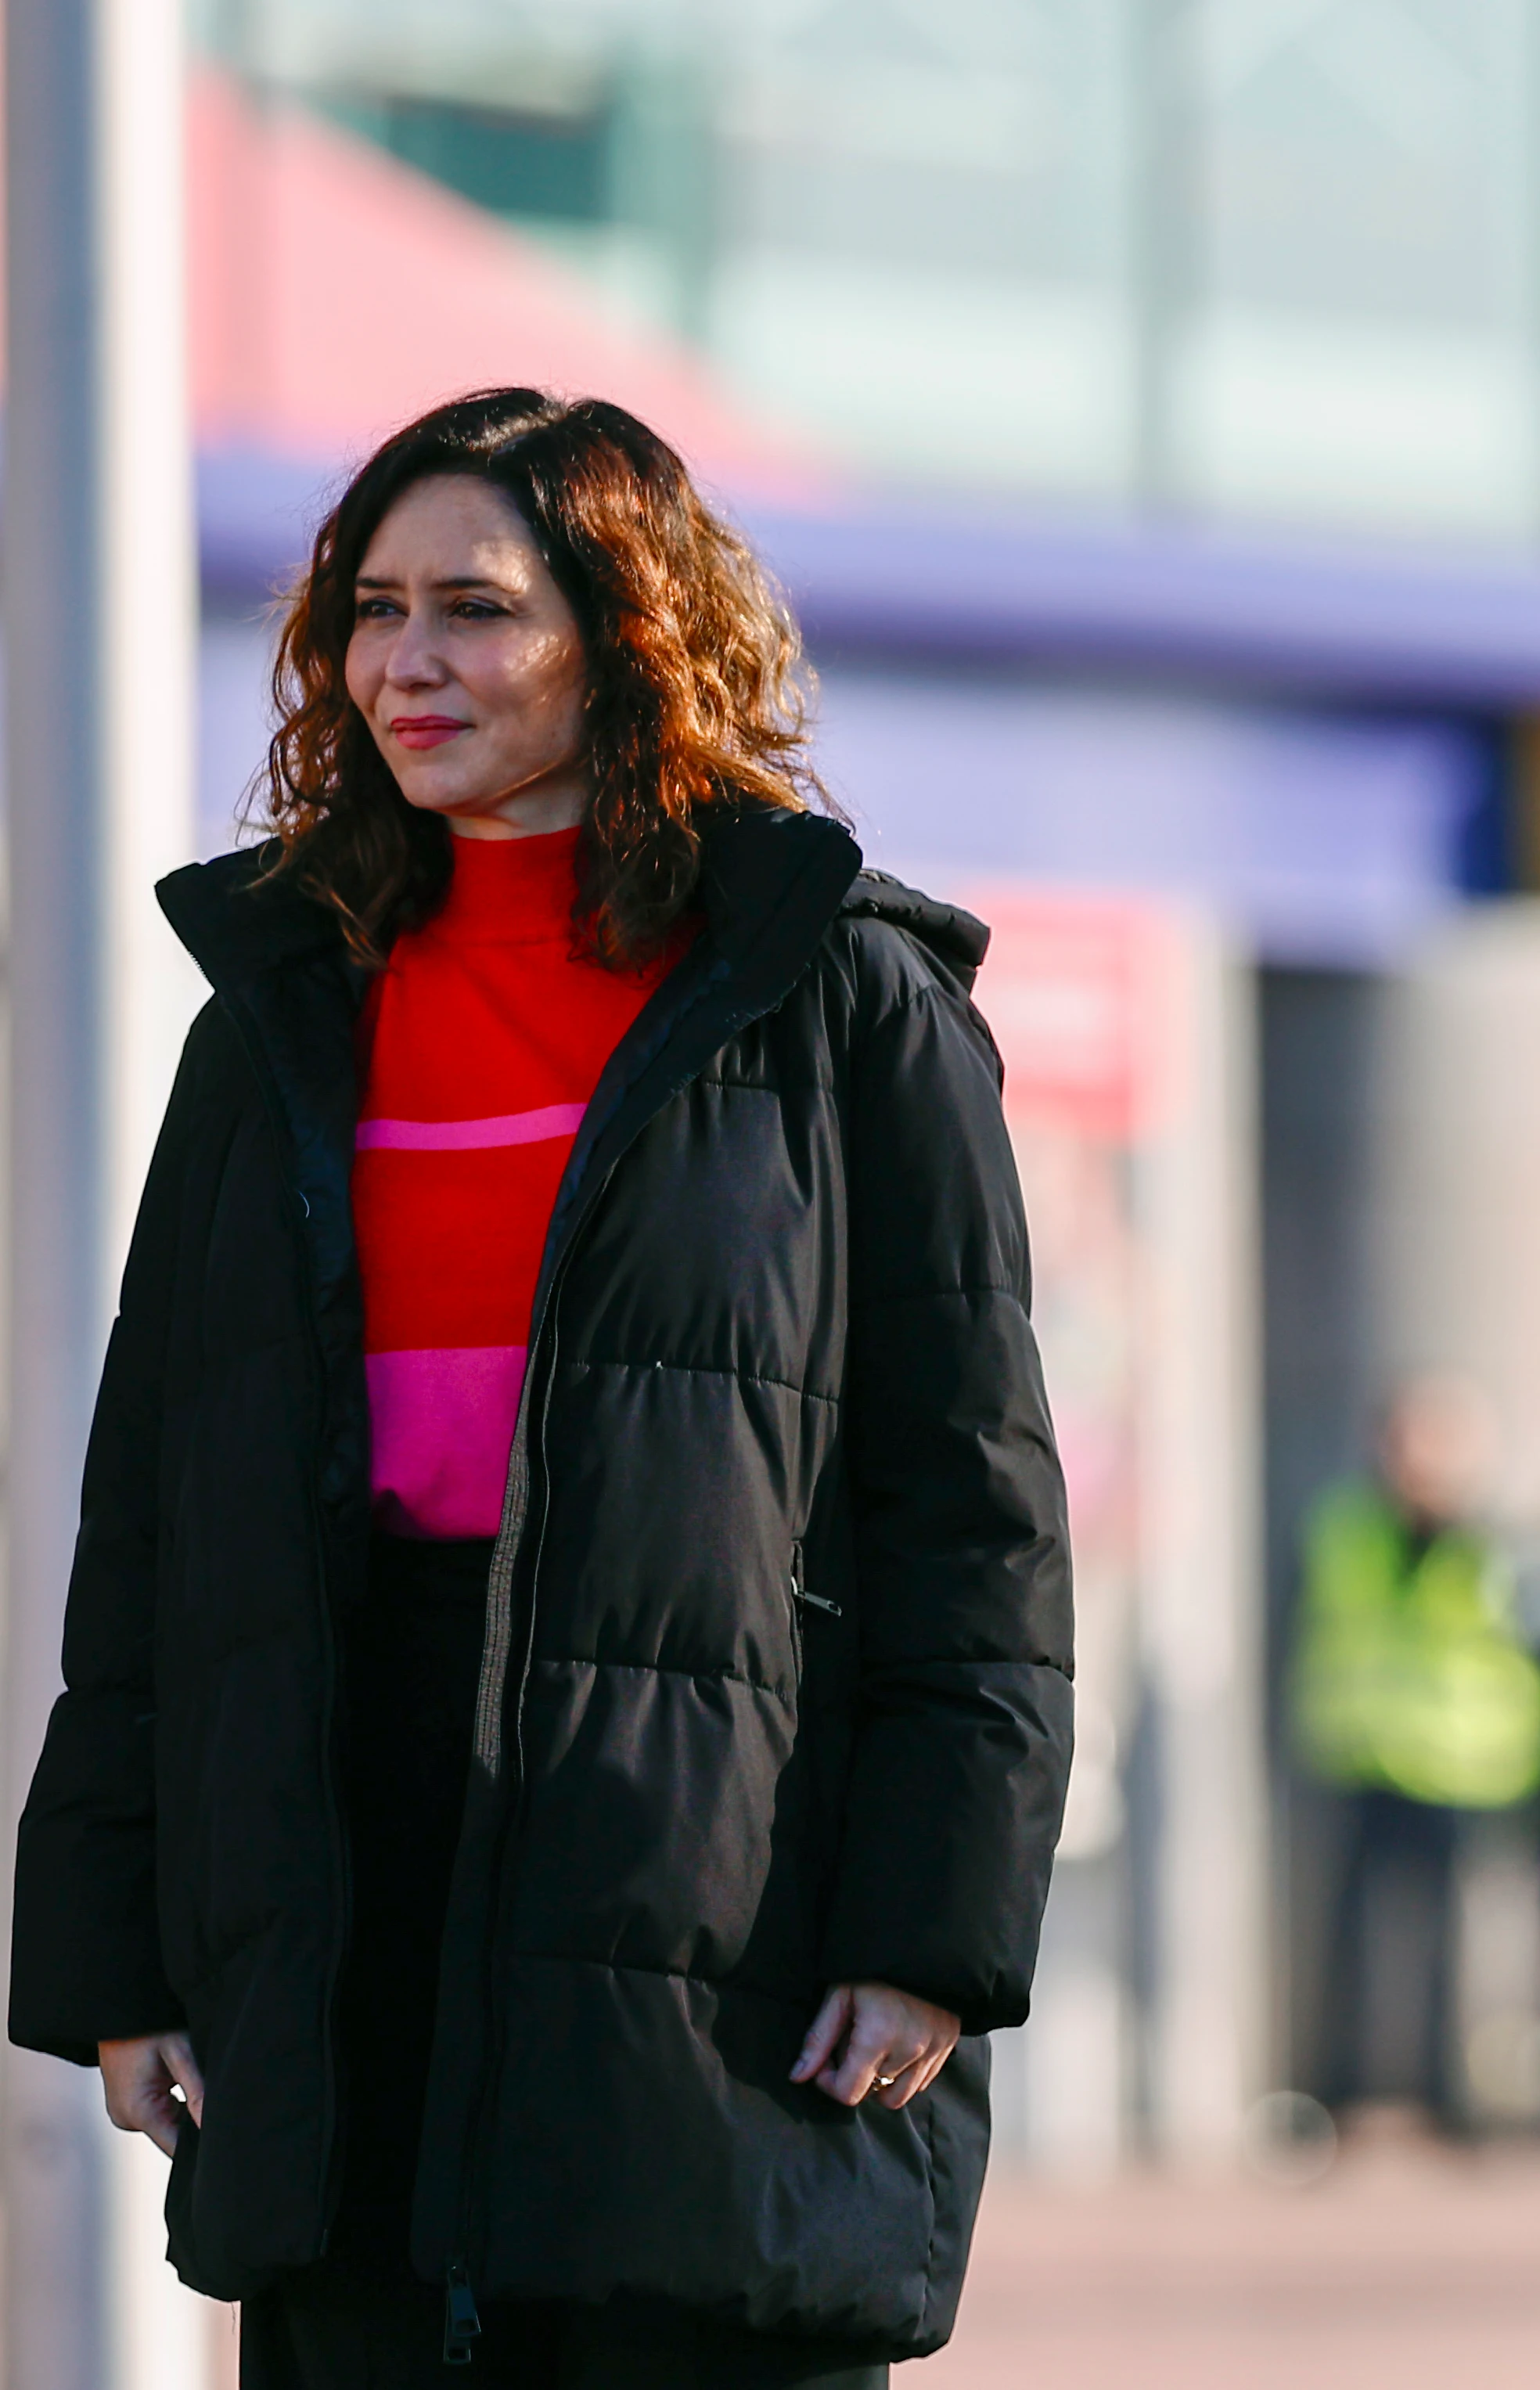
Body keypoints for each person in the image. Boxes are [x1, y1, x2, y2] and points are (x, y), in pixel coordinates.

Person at [6, 389, 1074, 2385]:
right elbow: (156, 1502)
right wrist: (118, 1945)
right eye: (373, 607)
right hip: (337, 1852)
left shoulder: (841, 994)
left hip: (706, 1865)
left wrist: (934, 1922)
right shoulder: (280, 1006)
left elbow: (975, 1508)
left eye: (477, 609)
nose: (409, 660)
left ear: (627, 633)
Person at [1290, 1375, 1540, 2133]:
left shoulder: (1499, 1544)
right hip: (1360, 1759)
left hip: (1467, 1770)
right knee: (1350, 1940)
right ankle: (1342, 2097)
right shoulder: (1345, 1526)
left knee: (1457, 1947)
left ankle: (1454, 2105)